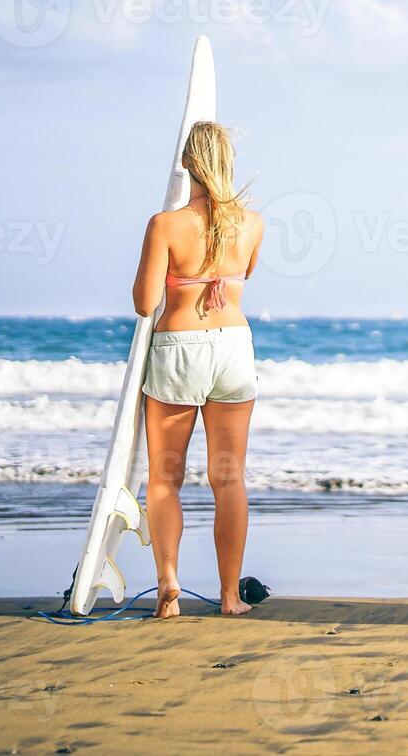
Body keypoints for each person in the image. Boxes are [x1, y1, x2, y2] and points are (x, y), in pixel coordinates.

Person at [132, 121, 265, 618]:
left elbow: (146, 304)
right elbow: (241, 274)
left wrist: (175, 279)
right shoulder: (252, 223)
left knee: (165, 477)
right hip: (233, 348)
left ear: (187, 164)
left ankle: (169, 587)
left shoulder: (164, 225)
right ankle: (230, 597)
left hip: (179, 347)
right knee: (228, 478)